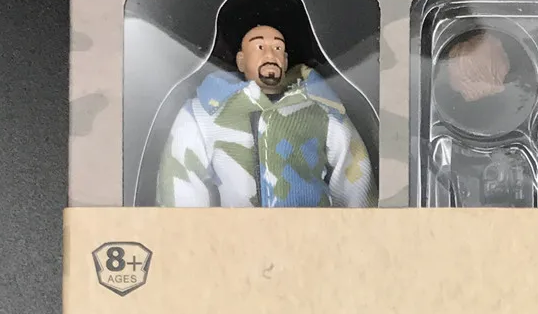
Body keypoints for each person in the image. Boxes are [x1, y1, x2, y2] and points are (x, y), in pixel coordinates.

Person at [156, 20, 376, 208]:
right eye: (259, 47)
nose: (270, 54)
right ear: (241, 60)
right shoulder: (206, 111)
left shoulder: (321, 108)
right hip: (238, 236)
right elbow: (180, 181)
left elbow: (355, 174)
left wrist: (355, 234)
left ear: (286, 60)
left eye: (278, 48)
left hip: (310, 236)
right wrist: (191, 239)